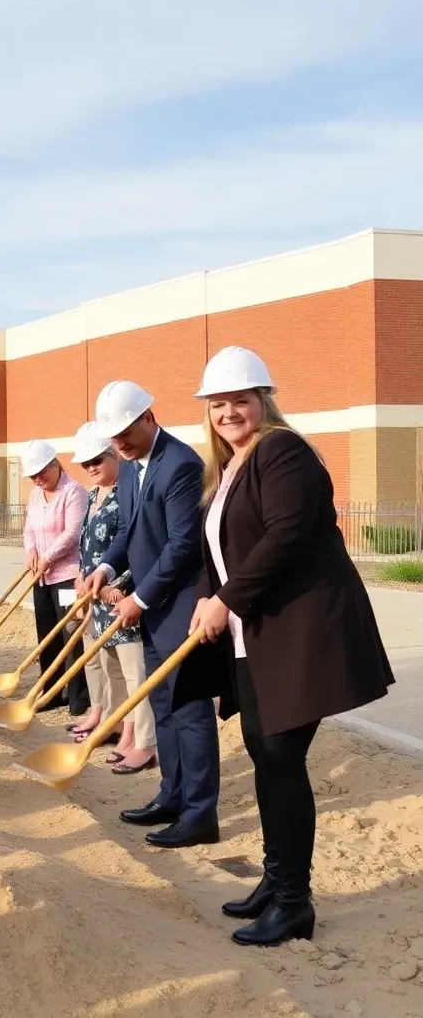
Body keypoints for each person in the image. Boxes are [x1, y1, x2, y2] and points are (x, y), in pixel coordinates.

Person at [187, 347, 393, 946]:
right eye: (218, 404)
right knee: (264, 754)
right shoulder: (225, 467)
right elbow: (217, 550)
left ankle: (294, 903)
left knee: (281, 761)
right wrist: (208, 597)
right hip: (255, 634)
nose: (228, 413)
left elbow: (283, 538)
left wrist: (226, 601)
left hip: (300, 630)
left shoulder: (283, 451)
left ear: (263, 401)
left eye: (239, 401)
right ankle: (275, 882)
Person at [82, 379, 221, 849]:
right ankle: (172, 794)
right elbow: (127, 529)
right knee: (162, 704)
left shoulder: (180, 465)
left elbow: (183, 545)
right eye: (112, 437)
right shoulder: (128, 468)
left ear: (148, 417)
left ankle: (200, 814)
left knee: (190, 710)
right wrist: (106, 566)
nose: (119, 442)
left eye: (125, 431)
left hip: (179, 603)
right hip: (151, 606)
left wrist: (137, 599)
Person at [70, 423, 156, 774]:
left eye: (97, 460)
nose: (91, 468)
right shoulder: (93, 496)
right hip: (96, 594)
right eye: (85, 463)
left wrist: (112, 586)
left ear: (114, 456)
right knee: (111, 669)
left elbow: (134, 548)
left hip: (121, 596)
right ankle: (120, 725)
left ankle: (142, 739)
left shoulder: (126, 493)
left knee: (135, 672)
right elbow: (87, 545)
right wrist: (81, 574)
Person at [19, 440, 87, 715]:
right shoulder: (36, 495)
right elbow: (29, 529)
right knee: (47, 635)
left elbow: (73, 533)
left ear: (55, 464)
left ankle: (79, 696)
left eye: (42, 473)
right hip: (42, 577)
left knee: (71, 636)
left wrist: (48, 556)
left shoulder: (74, 492)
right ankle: (52, 691)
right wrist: (31, 550)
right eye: (33, 475)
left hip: (68, 576)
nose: (38, 479)